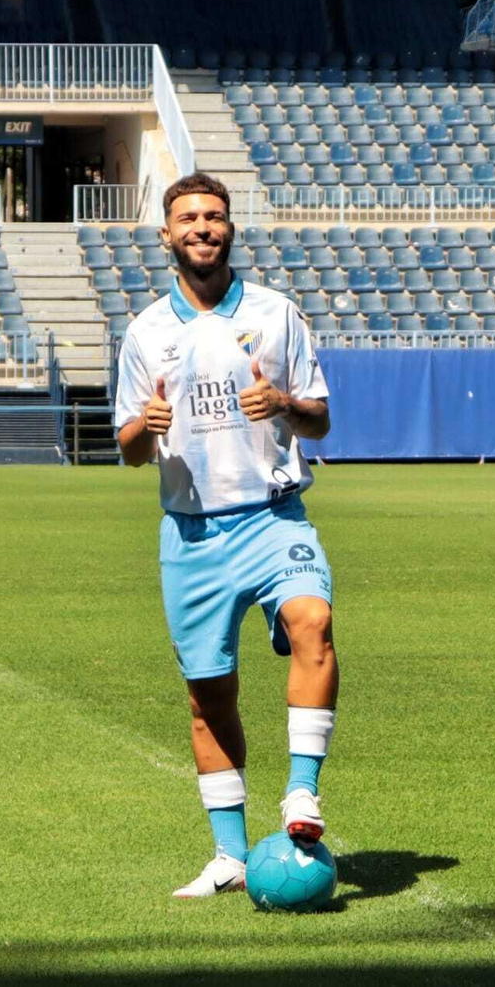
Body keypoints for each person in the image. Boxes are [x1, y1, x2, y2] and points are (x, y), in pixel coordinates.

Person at [114, 173, 339, 899]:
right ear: (167, 235)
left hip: (274, 516)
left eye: (213, 216)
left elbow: (319, 419)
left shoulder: (277, 314)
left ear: (231, 229)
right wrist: (142, 429)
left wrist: (283, 402)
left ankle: (301, 791)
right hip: (193, 535)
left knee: (313, 621)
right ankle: (230, 857)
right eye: (188, 218)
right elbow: (127, 448)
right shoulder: (147, 331)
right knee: (208, 697)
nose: (202, 227)